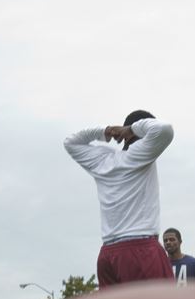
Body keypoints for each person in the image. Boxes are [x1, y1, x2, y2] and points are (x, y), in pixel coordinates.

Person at [64, 111, 175, 288]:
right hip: (141, 250)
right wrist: (131, 129)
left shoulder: (103, 161)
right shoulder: (140, 154)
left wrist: (105, 131)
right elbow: (164, 129)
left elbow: (71, 142)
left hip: (108, 255)